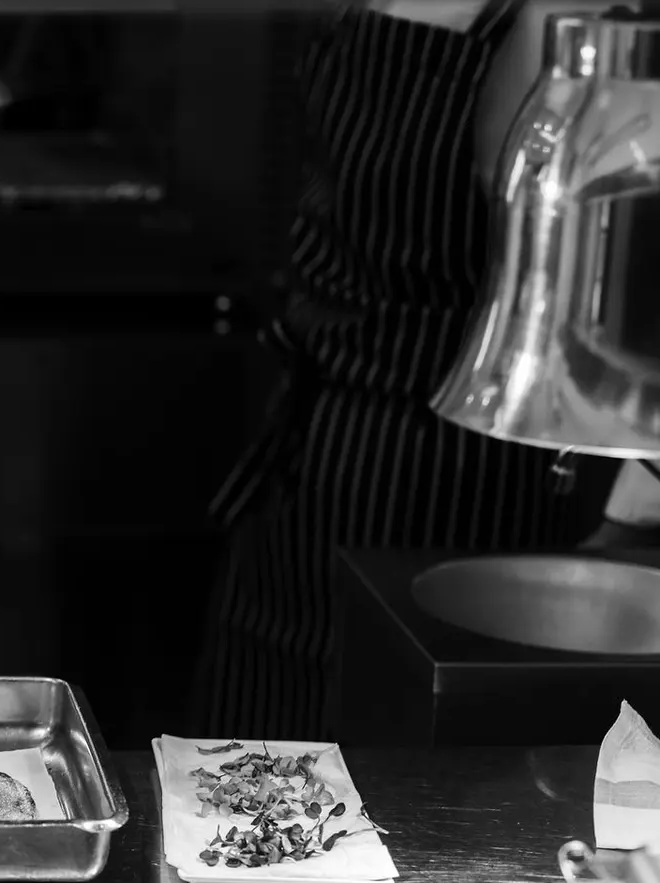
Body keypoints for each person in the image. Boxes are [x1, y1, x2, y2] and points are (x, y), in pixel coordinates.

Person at [189, 0, 621, 740]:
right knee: (239, 768)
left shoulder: (555, 13)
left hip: (451, 473)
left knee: (382, 785)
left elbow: (522, 183)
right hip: (312, 447)